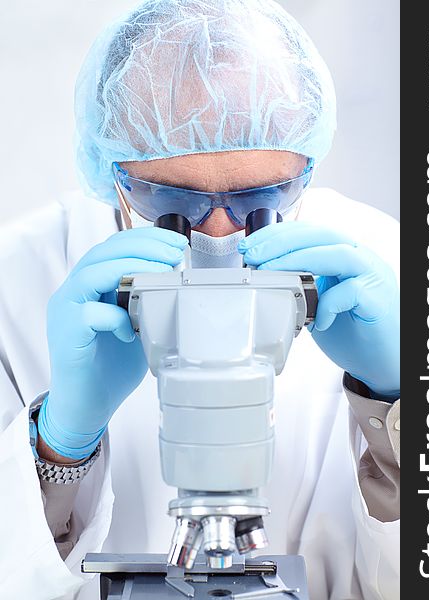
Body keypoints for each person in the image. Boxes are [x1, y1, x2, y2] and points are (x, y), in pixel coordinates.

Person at [0, 1, 400, 599]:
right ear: (114, 171)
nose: (218, 239)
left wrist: (402, 405)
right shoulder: (18, 279)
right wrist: (61, 444)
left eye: (259, 202)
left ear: (304, 168)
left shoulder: (388, 264)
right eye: (174, 206)